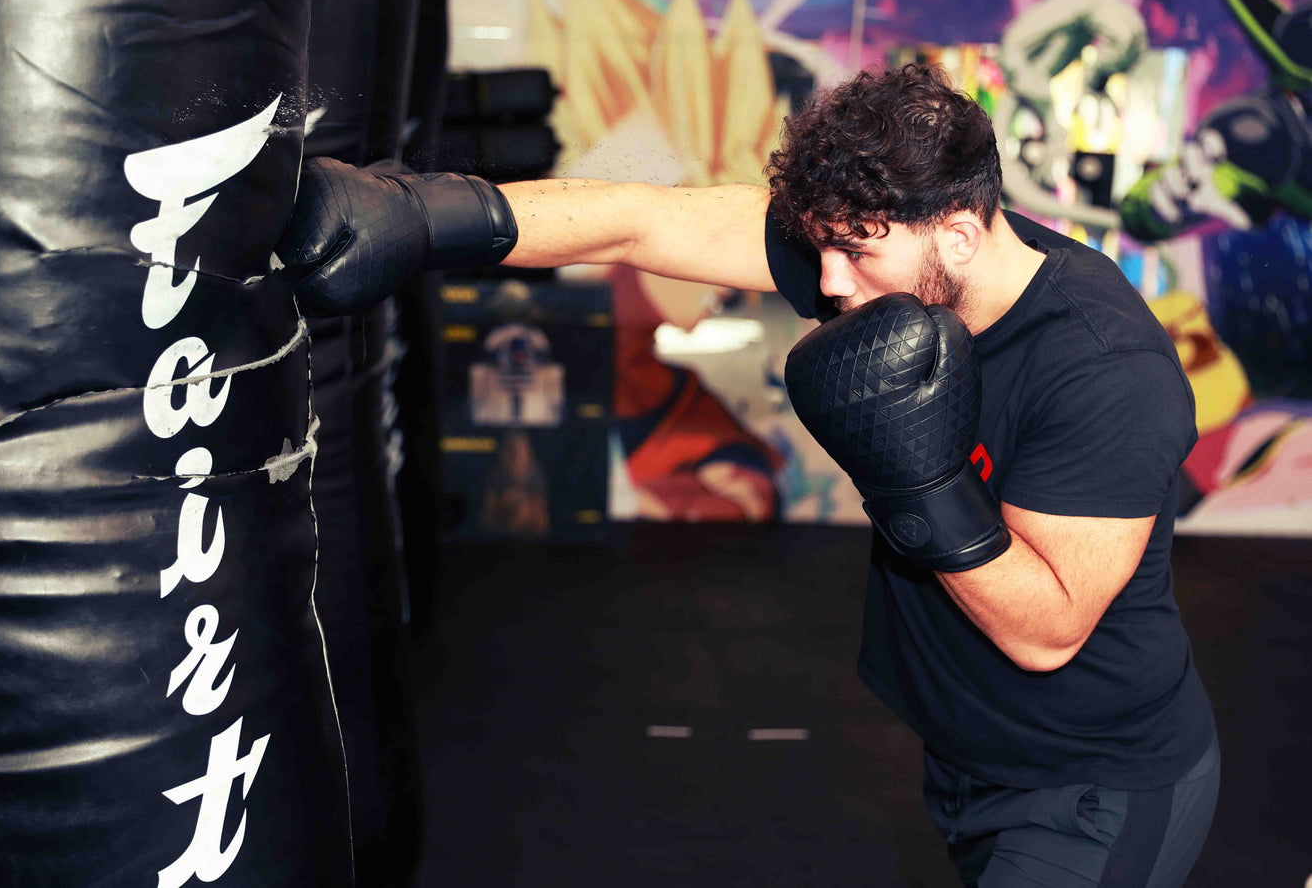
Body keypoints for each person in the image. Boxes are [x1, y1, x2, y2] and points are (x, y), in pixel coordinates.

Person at [277, 62, 1219, 886]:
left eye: (855, 252)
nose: (832, 285)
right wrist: (421, 215)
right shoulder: (892, 257)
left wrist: (917, 485)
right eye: (822, 249)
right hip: (971, 755)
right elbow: (638, 221)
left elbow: (1047, 635)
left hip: (1092, 781)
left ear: (962, 234)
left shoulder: (1104, 370)